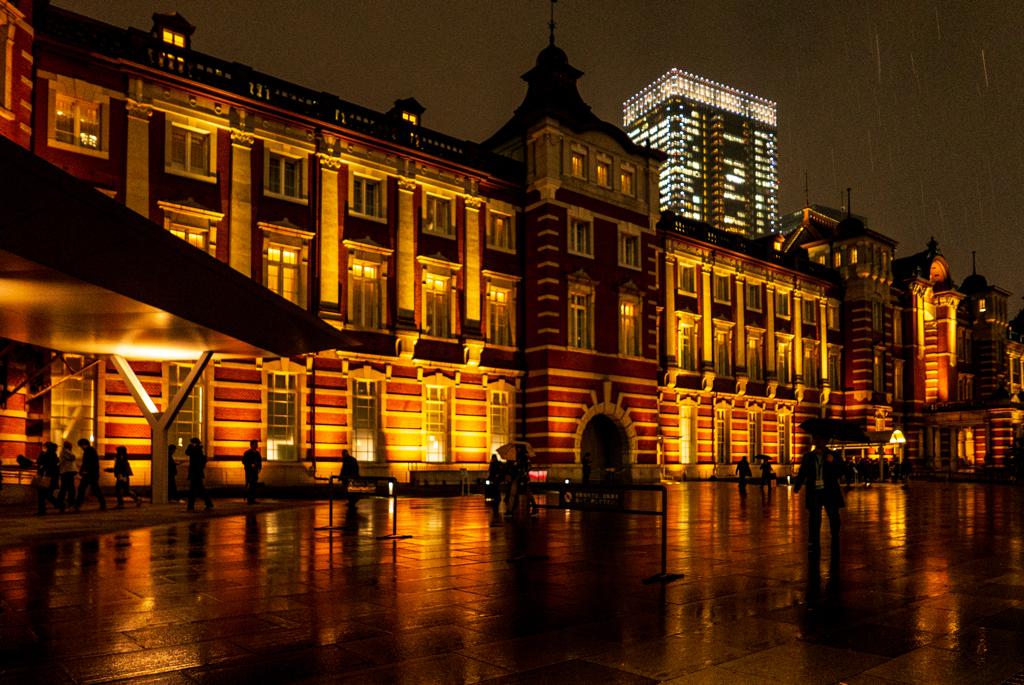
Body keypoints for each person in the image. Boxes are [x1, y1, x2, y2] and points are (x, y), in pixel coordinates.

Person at [793, 432, 846, 555]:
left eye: (819, 438)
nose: (816, 440)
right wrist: (797, 486)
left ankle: (835, 537)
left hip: (830, 491)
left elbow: (842, 471)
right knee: (814, 518)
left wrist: (833, 462)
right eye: (815, 437)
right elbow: (803, 472)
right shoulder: (808, 457)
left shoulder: (833, 455)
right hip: (815, 492)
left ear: (826, 440)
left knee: (834, 517)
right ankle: (814, 543)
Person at [74, 438, 106, 511]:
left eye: (81, 445)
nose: (81, 447)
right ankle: (103, 503)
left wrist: (85, 470)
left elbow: (89, 462)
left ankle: (78, 504)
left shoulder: (89, 451)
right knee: (94, 489)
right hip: (91, 474)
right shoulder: (90, 450)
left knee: (82, 488)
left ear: (84, 444)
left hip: (89, 474)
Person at [186, 437, 213, 511]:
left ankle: (190, 506)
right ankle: (208, 503)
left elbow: (187, 452)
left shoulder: (195, 450)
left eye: (191, 443)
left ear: (194, 443)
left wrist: (190, 446)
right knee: (200, 489)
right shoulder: (198, 450)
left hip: (195, 473)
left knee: (193, 490)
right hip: (198, 473)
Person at [34, 442, 60, 515]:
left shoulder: (45, 454)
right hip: (52, 477)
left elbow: (39, 462)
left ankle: (43, 510)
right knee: (46, 494)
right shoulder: (54, 455)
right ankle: (58, 504)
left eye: (44, 446)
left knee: (42, 494)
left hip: (45, 476)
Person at [56, 441, 77, 511]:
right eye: (70, 446)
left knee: (64, 488)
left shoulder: (63, 452)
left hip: (65, 472)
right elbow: (73, 457)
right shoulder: (65, 451)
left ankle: (59, 503)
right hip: (67, 472)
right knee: (70, 489)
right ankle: (70, 503)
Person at [242, 439, 262, 504]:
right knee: (249, 485)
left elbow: (259, 462)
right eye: (255, 444)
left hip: (255, 471)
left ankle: (252, 499)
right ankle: (249, 499)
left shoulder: (257, 453)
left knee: (254, 486)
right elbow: (244, 461)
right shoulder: (247, 453)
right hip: (249, 471)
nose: (257, 445)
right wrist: (251, 465)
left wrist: (259, 467)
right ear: (252, 445)